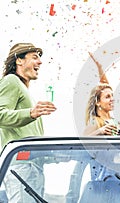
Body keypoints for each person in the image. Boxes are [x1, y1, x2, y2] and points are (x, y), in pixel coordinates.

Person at [0, 43, 57, 202]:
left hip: (34, 168)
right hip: (22, 168)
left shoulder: (26, 92)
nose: (40, 62)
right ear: (19, 60)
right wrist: (31, 113)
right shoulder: (11, 81)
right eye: (34, 57)